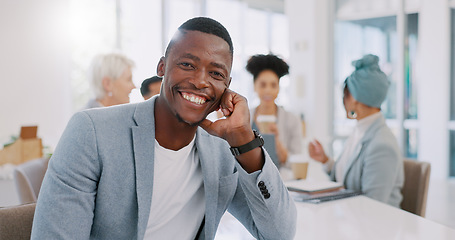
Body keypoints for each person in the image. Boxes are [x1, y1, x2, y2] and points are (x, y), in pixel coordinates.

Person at [32, 17, 296, 239]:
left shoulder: (223, 149)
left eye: (215, 74)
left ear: (227, 85)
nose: (200, 81)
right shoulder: (91, 133)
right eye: (187, 65)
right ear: (161, 67)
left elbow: (279, 233)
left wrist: (245, 140)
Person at [308, 54, 404, 208]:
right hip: (352, 221)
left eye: (345, 95)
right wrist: (325, 160)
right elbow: (345, 180)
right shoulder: (360, 131)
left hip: (375, 228)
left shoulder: (381, 145)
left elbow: (373, 207)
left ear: (353, 97)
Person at [246, 54, 303, 167]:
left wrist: (276, 140)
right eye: (263, 85)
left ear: (279, 88)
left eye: (273, 85)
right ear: (254, 86)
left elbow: (295, 163)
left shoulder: (292, 120)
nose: (268, 90)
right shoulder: (245, 117)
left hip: (281, 179)